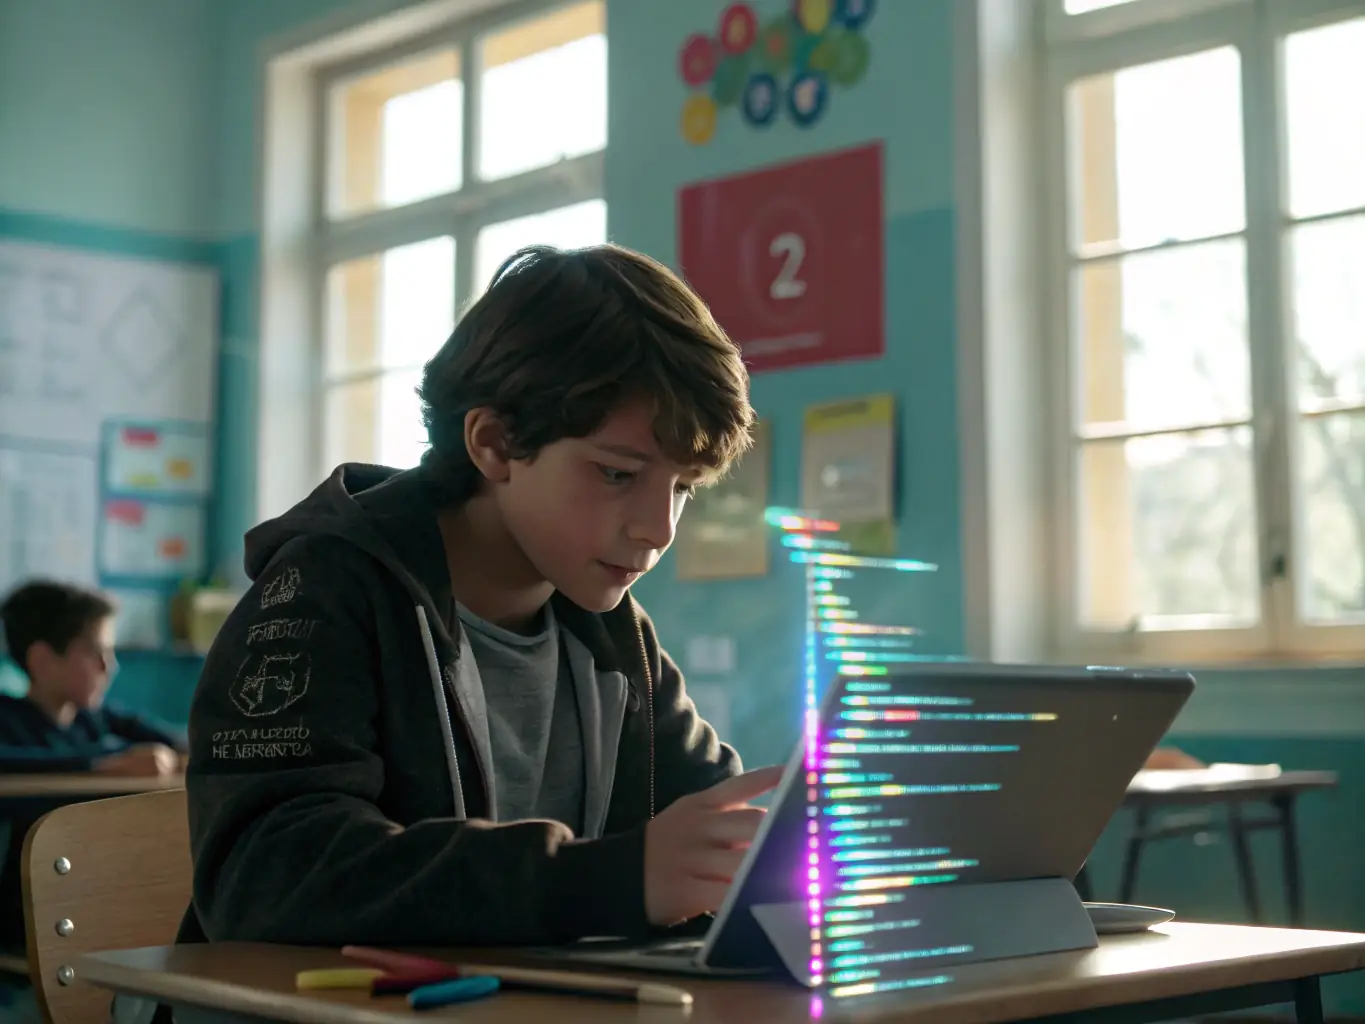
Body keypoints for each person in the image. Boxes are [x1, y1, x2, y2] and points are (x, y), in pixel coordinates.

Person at [179, 244, 782, 949]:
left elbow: (702, 840)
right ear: (493, 443)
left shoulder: (612, 634)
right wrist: (603, 881)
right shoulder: (326, 592)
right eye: (618, 475)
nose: (657, 529)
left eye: (682, 488)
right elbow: (267, 876)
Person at [0, 579, 187, 1001]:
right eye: (95, 652)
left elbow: (178, 743)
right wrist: (102, 765)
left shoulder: (96, 720)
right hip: (33, 914)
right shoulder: (9, 719)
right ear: (43, 660)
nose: (110, 666)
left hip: (100, 901)